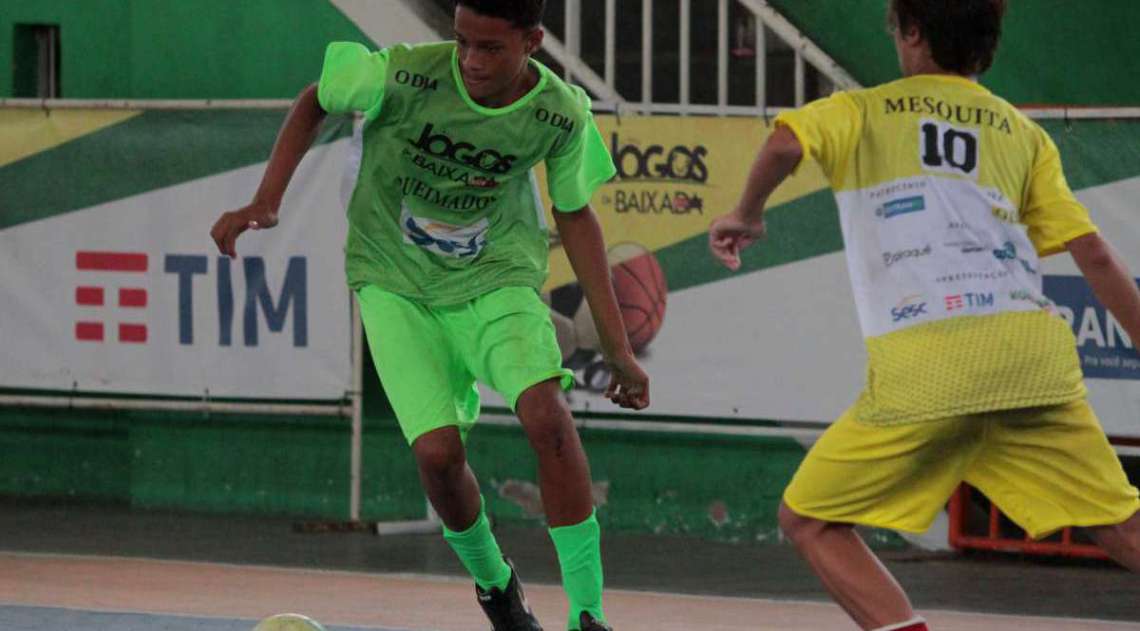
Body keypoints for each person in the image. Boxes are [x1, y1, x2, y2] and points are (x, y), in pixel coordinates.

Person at [210, 1, 648, 629]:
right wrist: (266, 200)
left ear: (533, 42)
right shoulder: (405, 74)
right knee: (438, 458)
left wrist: (618, 348)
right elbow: (315, 98)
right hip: (393, 282)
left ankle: (588, 614)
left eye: (490, 48)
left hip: (495, 279)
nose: (470, 60)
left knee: (547, 418)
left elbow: (576, 214)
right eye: (461, 41)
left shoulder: (558, 112)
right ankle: (497, 587)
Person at [708, 1, 1140, 629]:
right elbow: (1095, 255)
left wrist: (746, 213)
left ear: (911, 33)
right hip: (1031, 364)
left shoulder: (861, 110)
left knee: (808, 520)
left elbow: (783, 142)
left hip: (927, 369)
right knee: (1123, 527)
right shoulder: (1023, 133)